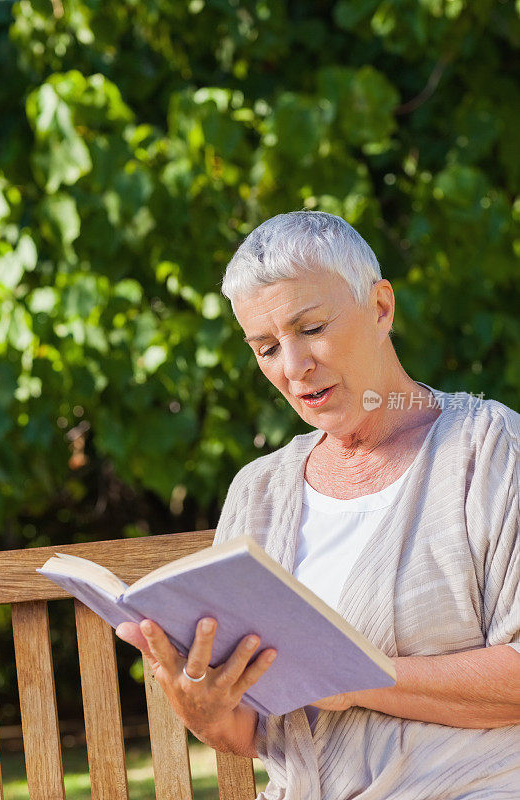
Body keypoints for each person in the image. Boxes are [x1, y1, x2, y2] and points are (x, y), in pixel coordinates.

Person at [116, 211, 520, 799]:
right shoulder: (259, 492)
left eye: (311, 328)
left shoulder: (489, 449)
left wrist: (349, 677)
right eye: (266, 347)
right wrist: (203, 707)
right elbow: (251, 731)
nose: (293, 366)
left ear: (381, 307)